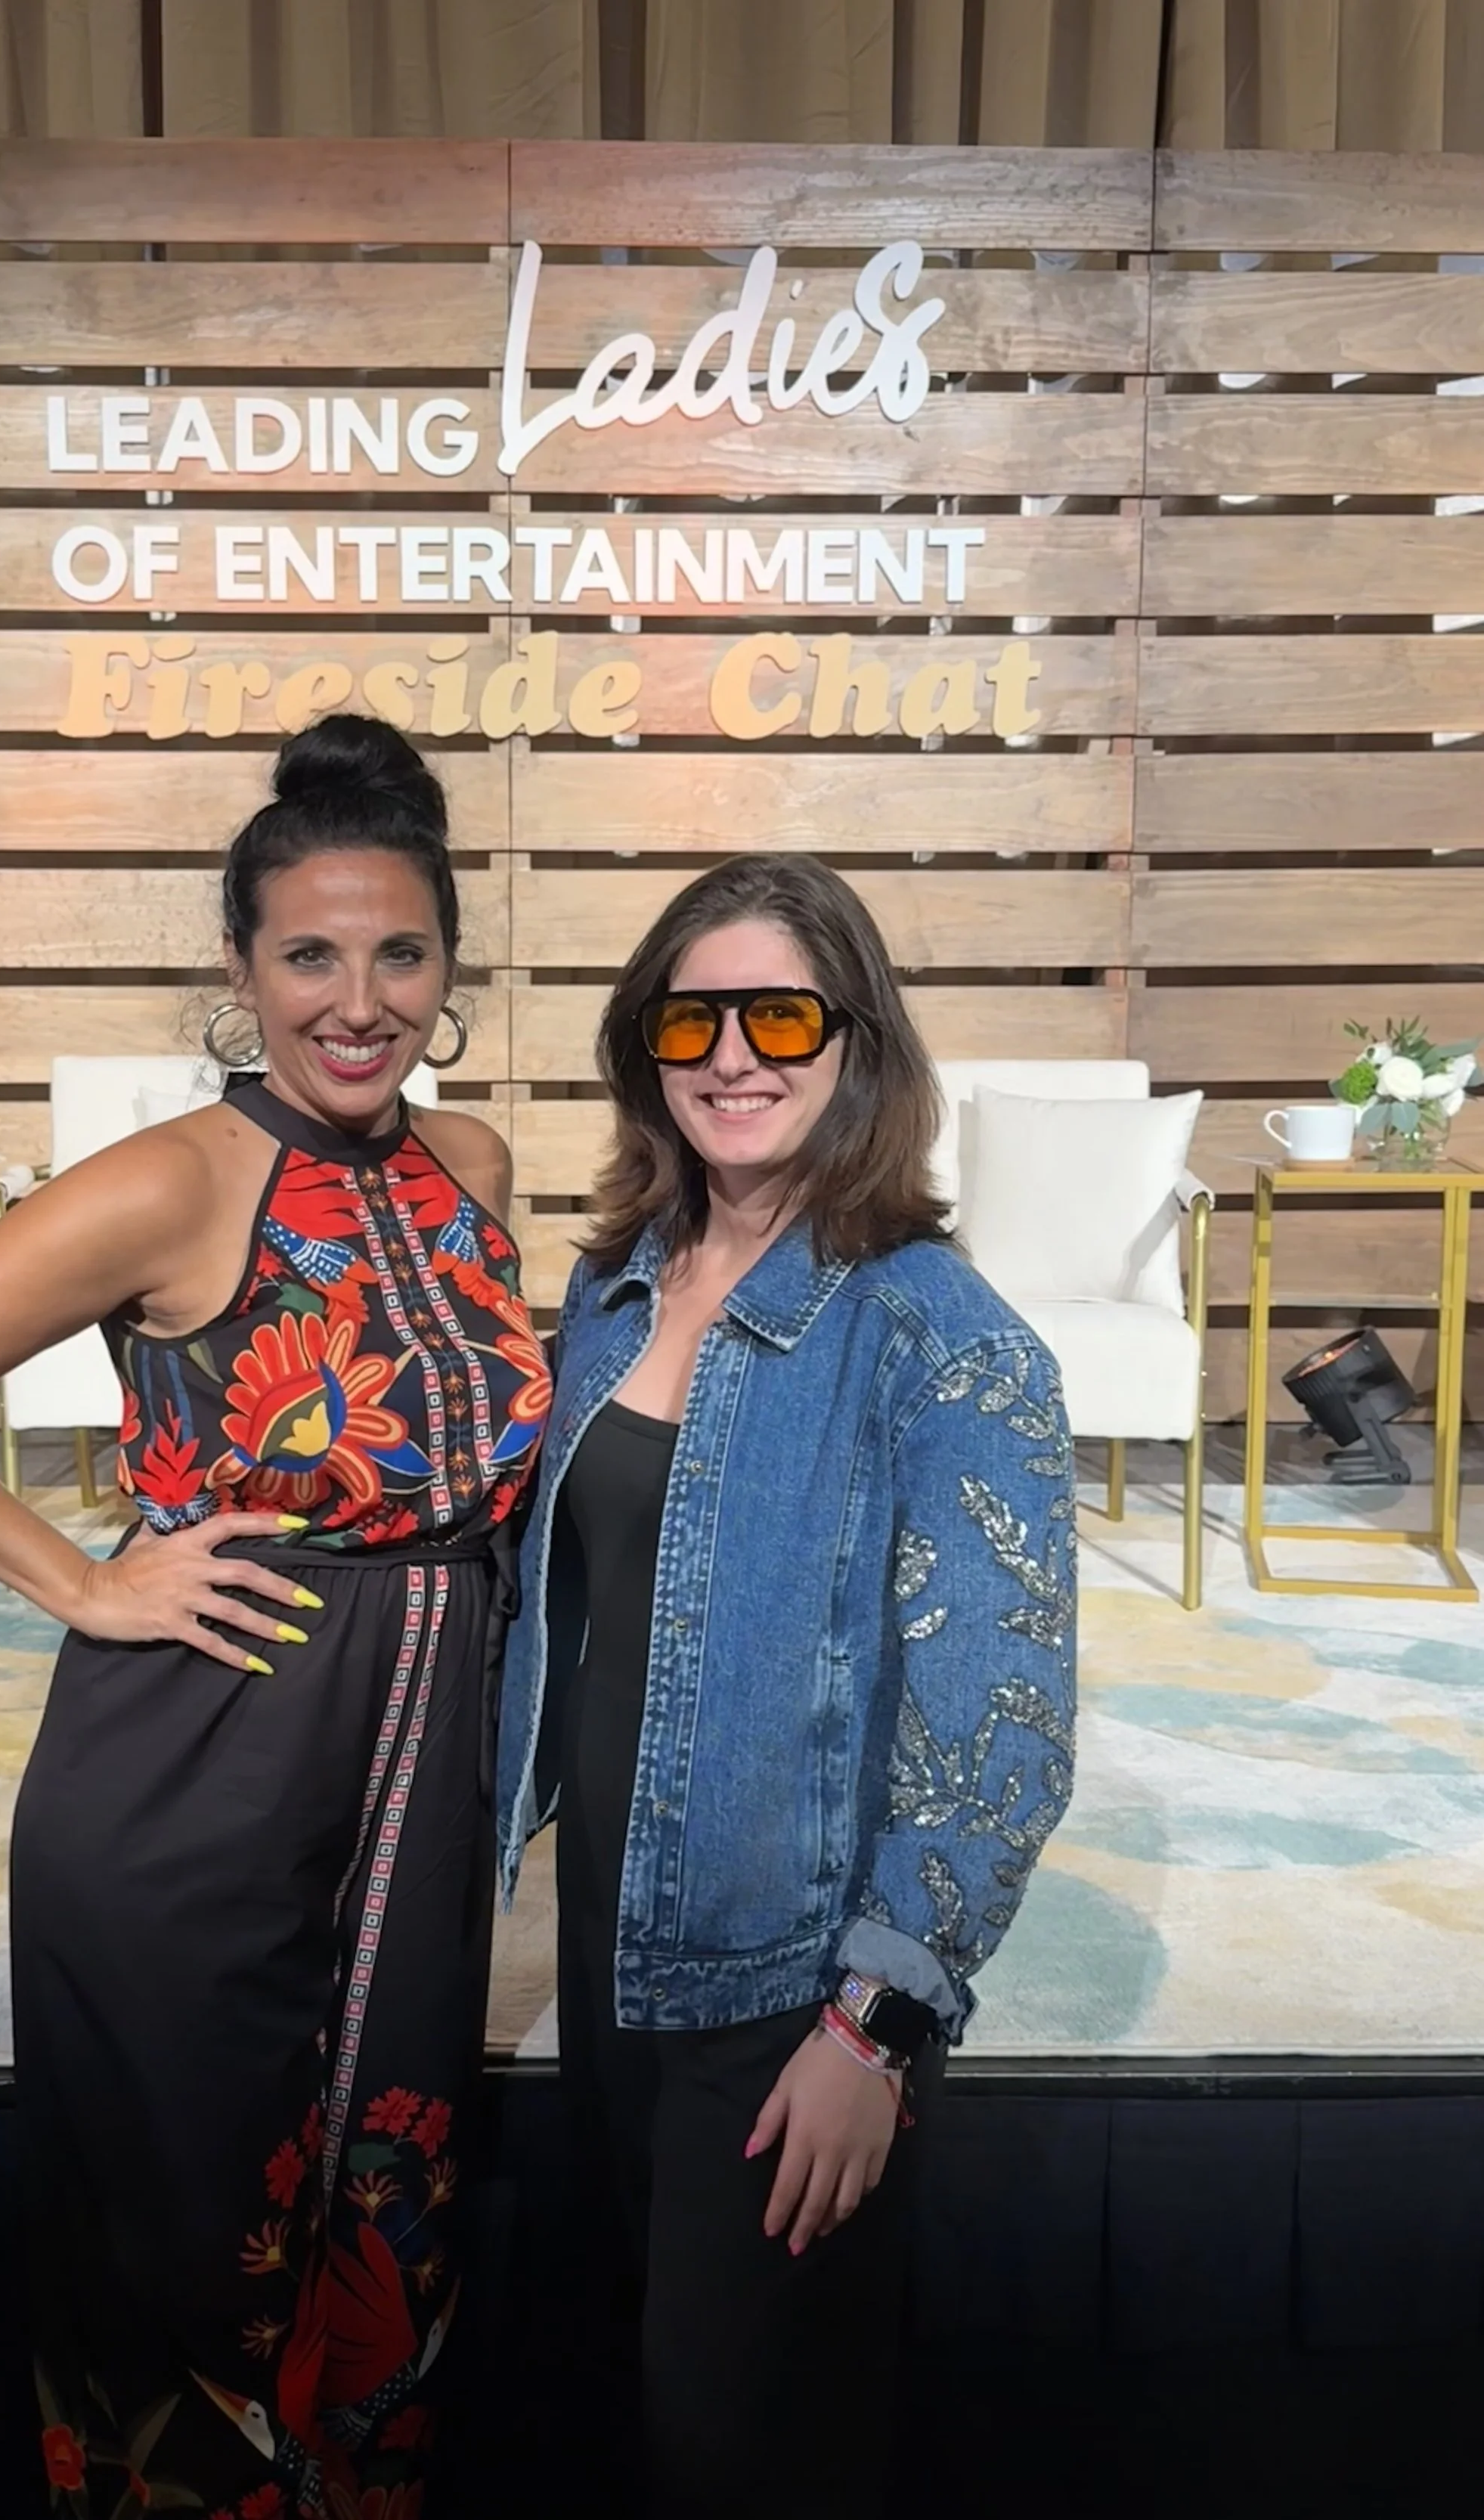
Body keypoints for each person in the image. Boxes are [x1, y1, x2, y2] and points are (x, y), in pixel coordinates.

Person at [0, 715, 550, 2520]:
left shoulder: (476, 1161)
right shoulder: (173, 1179)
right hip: (202, 1773)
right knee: (186, 2239)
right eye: (307, 953)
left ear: (449, 970)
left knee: (387, 2210)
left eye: (397, 953)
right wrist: (81, 1577)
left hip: (412, 1790)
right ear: (240, 970)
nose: (353, 999)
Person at [496, 853, 1077, 2515]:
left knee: (740, 2444)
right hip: (611, 1943)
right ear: (644, 1046)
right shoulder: (611, 1293)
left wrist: (874, 2024)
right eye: (691, 1014)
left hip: (786, 1990)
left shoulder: (941, 1343)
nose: (731, 1053)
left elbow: (1000, 1735)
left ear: (856, 1046)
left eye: (779, 1012)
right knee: (627, 2394)